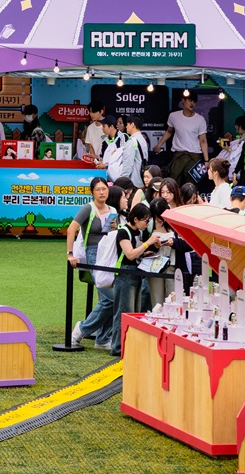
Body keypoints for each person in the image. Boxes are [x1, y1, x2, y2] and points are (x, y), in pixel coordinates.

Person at [67, 178, 119, 349]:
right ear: (92, 192)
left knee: (108, 298)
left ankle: (103, 339)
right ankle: (82, 329)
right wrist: (70, 254)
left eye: (104, 189)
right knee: (110, 298)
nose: (102, 192)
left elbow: (114, 234)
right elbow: (71, 229)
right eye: (98, 189)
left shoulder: (112, 210)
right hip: (93, 253)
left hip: (109, 253)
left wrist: (114, 227)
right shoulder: (88, 208)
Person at [110, 203, 166, 353]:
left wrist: (151, 249)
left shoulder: (138, 232)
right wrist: (147, 244)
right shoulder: (123, 232)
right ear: (135, 219)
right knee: (124, 311)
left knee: (134, 312)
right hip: (125, 273)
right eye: (145, 221)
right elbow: (129, 254)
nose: (147, 224)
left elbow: (136, 253)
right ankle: (118, 347)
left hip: (135, 273)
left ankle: (128, 345)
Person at [163, 93, 208, 186]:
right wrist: (159, 144)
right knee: (173, 182)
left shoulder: (200, 119)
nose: (192, 104)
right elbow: (169, 131)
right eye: (190, 101)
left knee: (191, 185)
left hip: (194, 155)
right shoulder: (173, 116)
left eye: (194, 102)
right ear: (183, 101)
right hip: (178, 154)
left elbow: (203, 140)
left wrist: (206, 160)